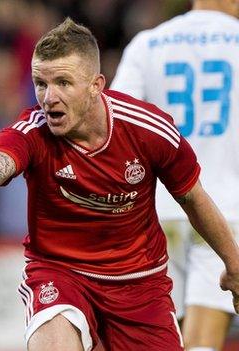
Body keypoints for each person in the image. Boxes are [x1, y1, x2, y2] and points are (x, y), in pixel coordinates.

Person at [0, 18, 239, 351]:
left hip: (139, 281)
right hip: (60, 272)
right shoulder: (31, 132)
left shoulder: (149, 130)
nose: (49, 97)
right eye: (40, 83)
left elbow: (193, 198)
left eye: (63, 82)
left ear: (96, 85)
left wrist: (234, 265)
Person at [111, 1, 239, 349]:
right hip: (224, 213)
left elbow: (116, 125)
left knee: (165, 340)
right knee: (202, 343)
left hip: (158, 213)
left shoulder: (148, 43)